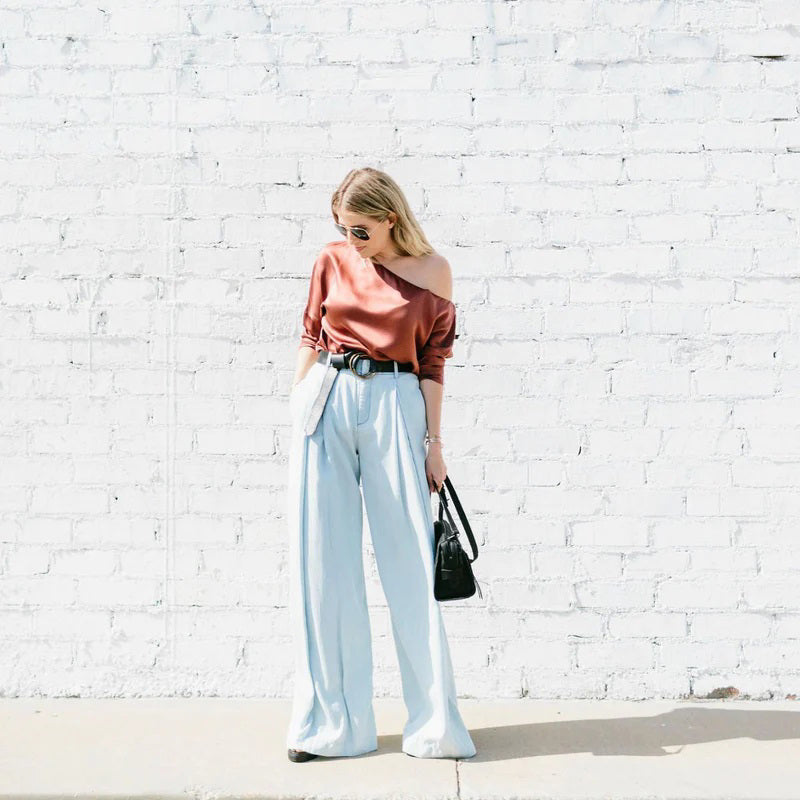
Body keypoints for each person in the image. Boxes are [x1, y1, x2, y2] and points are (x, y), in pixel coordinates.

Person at [284, 167, 477, 763]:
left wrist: (434, 443)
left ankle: (435, 727)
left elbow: (434, 362)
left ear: (391, 218)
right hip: (328, 397)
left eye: (361, 230)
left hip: (398, 401)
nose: (352, 240)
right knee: (324, 566)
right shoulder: (331, 259)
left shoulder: (433, 271)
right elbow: (311, 337)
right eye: (343, 228)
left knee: (410, 564)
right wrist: (298, 408)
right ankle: (332, 727)